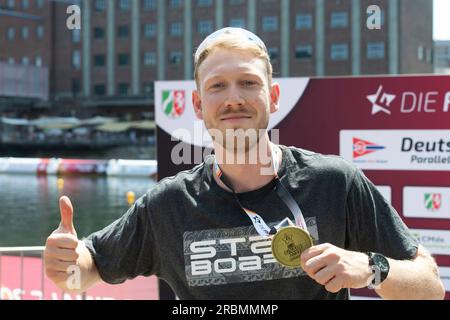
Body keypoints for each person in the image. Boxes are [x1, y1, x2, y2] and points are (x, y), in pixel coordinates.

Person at [44, 27, 445, 300]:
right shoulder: (167, 204)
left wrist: (370, 269)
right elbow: (88, 268)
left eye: (248, 83)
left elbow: (429, 285)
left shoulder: (335, 183)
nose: (234, 98)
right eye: (218, 86)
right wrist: (66, 263)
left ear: (272, 97)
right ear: (199, 105)